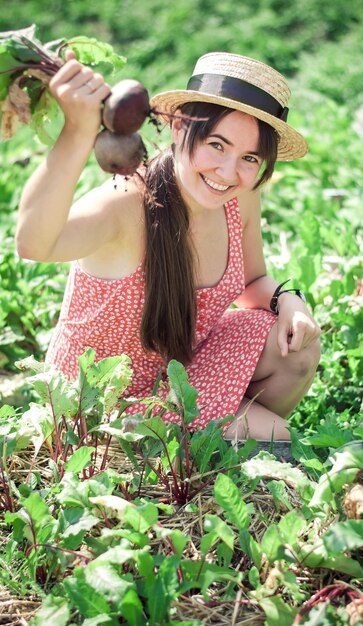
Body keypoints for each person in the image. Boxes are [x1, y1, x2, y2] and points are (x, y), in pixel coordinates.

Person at [16, 51, 321, 446]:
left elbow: (253, 280)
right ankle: (205, 446)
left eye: (249, 157)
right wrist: (77, 130)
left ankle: (210, 441)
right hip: (98, 405)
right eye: (216, 144)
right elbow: (33, 243)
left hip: (178, 376)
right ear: (179, 126)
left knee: (296, 348)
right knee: (276, 435)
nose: (228, 173)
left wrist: (291, 301)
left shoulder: (238, 197)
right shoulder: (124, 202)